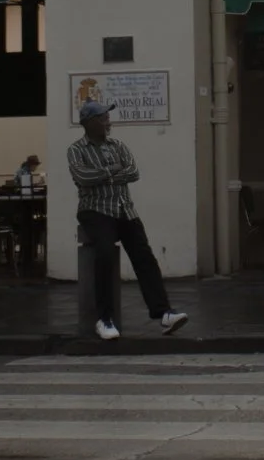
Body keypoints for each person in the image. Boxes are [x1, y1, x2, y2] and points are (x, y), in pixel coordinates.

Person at [67, 99, 189, 342]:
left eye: (107, 117)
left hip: (125, 209)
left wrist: (104, 176)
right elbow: (82, 176)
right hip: (95, 210)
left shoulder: (118, 145)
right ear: (89, 123)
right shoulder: (77, 149)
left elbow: (133, 172)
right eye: (103, 118)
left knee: (144, 257)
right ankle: (104, 318)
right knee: (104, 255)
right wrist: (113, 172)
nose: (108, 121)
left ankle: (163, 313)